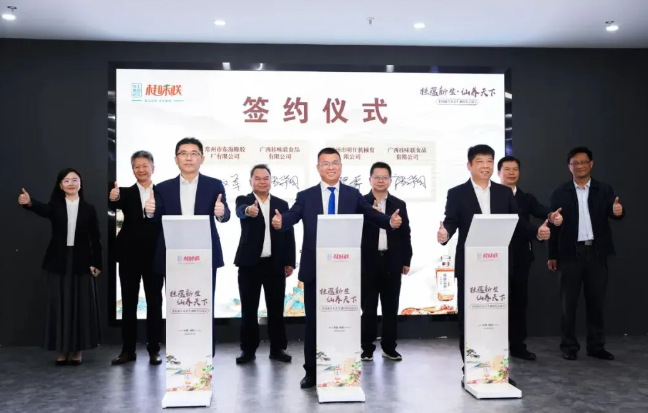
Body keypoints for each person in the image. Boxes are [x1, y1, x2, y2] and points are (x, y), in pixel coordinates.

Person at [271, 147, 403, 389]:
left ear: (341, 167)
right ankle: (311, 372)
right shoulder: (306, 195)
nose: (330, 167)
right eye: (325, 163)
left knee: (345, 321)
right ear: (318, 168)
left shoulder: (353, 195)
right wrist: (280, 222)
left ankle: (344, 367)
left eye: (335, 163)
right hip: (315, 269)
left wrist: (390, 222)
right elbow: (293, 216)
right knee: (313, 323)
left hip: (345, 270)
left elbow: (371, 215)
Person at [437, 145, 549, 384]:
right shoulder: (457, 193)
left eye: (489, 161)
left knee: (497, 319)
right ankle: (471, 369)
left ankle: (498, 371)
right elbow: (451, 221)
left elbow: (518, 222)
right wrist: (444, 233)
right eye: (480, 161)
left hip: (498, 265)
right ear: (469, 165)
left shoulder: (504, 193)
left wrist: (537, 233)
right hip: (471, 266)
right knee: (470, 320)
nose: (485, 166)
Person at [146, 137, 231, 356]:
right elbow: (156, 219)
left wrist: (222, 213)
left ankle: (204, 353)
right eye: (183, 153)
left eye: (194, 153)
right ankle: (179, 352)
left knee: (204, 304)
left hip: (204, 254)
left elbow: (225, 214)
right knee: (178, 304)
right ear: (176, 159)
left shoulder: (214, 185)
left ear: (202, 158)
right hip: (173, 255)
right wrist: (149, 212)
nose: (189, 158)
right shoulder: (163, 187)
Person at [18, 168, 102, 365]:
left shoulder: (89, 209)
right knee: (61, 305)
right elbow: (41, 209)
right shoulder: (55, 206)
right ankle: (63, 349)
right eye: (66, 180)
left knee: (80, 306)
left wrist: (97, 263)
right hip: (59, 261)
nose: (71, 183)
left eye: (75, 180)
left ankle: (78, 350)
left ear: (80, 184)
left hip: (82, 262)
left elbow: (95, 238)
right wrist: (29, 202)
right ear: (60, 185)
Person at [547, 146, 624, 361]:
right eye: (575, 163)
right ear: (569, 167)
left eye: (583, 162)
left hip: (596, 253)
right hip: (569, 254)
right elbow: (553, 225)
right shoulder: (560, 192)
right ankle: (569, 346)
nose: (580, 166)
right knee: (568, 303)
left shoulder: (603, 189)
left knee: (596, 302)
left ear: (591, 164)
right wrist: (552, 255)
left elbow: (615, 211)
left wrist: (618, 212)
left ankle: (596, 346)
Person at [497, 155, 563, 361]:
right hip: (494, 258)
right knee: (495, 304)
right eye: (507, 169)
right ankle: (494, 346)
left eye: (515, 169)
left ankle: (517, 345)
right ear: (498, 173)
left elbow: (541, 210)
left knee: (519, 303)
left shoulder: (526, 198)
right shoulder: (492, 196)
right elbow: (516, 223)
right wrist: (536, 232)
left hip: (521, 258)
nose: (511, 173)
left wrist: (552, 216)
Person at [234, 164, 296, 364]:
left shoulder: (281, 204)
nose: (262, 181)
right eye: (258, 178)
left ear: (271, 180)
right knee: (249, 309)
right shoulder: (244, 200)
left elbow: (289, 233)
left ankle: (278, 349)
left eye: (266, 178)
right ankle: (248, 350)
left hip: (275, 264)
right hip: (249, 265)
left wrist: (289, 261)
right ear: (250, 181)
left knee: (276, 309)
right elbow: (240, 211)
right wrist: (248, 211)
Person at [109, 151, 163, 366]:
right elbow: (113, 204)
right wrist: (113, 198)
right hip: (129, 256)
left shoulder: (163, 192)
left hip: (155, 256)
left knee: (154, 303)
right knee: (129, 303)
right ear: (132, 169)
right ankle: (128, 350)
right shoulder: (123, 192)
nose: (141, 169)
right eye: (136, 166)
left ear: (153, 168)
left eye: (144, 165)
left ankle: (154, 349)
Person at [360, 162, 412, 362]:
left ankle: (389, 348)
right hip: (368, 262)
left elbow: (405, 234)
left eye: (384, 177)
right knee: (368, 308)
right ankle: (366, 348)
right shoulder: (361, 203)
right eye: (377, 177)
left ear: (390, 180)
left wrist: (406, 260)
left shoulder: (399, 204)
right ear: (370, 180)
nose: (380, 181)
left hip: (392, 261)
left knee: (391, 307)